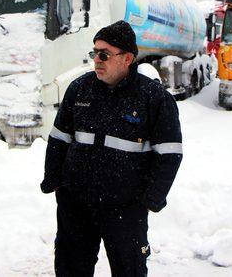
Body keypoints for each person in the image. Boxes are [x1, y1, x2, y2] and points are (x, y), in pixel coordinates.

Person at [41, 20, 183, 276]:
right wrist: (55, 181)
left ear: (127, 58)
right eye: (94, 53)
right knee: (70, 267)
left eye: (104, 54)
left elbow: (169, 153)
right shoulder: (80, 89)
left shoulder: (153, 98)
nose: (97, 59)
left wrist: (150, 199)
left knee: (129, 270)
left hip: (125, 209)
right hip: (77, 205)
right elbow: (59, 138)